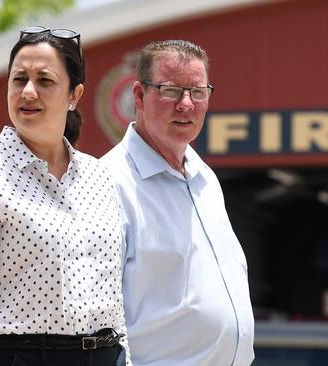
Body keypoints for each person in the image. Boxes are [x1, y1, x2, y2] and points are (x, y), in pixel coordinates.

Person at [0, 26, 130, 366]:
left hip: (105, 354)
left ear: (75, 95)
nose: (28, 91)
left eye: (45, 80)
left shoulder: (99, 176)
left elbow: (111, 293)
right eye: (18, 79)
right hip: (21, 356)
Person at [102, 40, 255, 365]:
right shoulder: (109, 183)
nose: (186, 104)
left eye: (198, 92)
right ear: (139, 96)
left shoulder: (206, 179)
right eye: (171, 90)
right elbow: (95, 319)